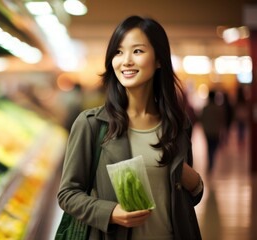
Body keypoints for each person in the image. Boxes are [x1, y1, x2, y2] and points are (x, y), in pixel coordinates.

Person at [57, 15, 204, 240]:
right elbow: (68, 194)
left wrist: (192, 180)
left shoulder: (177, 125)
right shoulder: (93, 124)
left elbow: (184, 198)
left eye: (137, 51)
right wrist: (111, 213)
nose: (126, 60)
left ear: (159, 60)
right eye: (118, 51)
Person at [200, 90, 226, 173]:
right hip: (216, 131)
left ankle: (210, 163)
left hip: (207, 130)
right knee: (214, 148)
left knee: (209, 147)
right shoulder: (218, 108)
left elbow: (201, 119)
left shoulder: (205, 108)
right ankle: (211, 163)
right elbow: (222, 120)